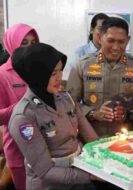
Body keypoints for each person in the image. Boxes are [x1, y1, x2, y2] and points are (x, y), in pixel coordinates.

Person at [9, 43, 99, 190]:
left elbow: (91, 138)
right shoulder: (24, 117)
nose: (59, 78)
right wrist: (91, 176)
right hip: (50, 184)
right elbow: (46, 171)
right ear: (38, 75)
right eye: (52, 74)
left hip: (79, 176)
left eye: (60, 71)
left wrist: (108, 157)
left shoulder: (66, 99)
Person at [66, 17, 133, 137]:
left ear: (128, 40)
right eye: (110, 41)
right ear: (100, 38)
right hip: (91, 136)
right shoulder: (82, 65)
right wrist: (93, 113)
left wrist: (129, 115)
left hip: (127, 136)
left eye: (121, 42)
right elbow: (69, 103)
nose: (115, 47)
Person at [0, 23, 39, 190]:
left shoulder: (42, 69)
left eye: (34, 43)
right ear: (11, 43)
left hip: (46, 145)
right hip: (18, 149)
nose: (30, 47)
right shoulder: (2, 74)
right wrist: (24, 105)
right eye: (24, 42)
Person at [63, 13, 109, 81]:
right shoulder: (79, 53)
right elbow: (71, 81)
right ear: (91, 29)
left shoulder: (112, 54)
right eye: (100, 29)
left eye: (106, 30)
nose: (103, 33)